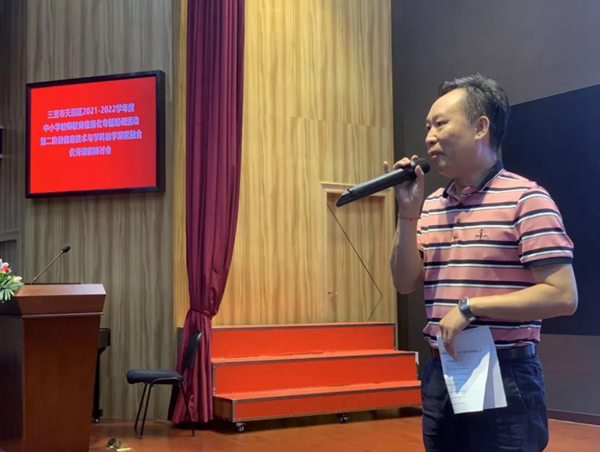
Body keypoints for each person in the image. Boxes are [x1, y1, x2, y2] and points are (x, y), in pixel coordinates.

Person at [385, 74, 578, 452]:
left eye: (440, 123)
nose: (429, 137)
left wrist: (470, 308)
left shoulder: (526, 199)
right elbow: (404, 282)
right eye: (427, 127)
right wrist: (407, 214)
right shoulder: (432, 205)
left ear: (480, 127)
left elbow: (563, 295)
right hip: (443, 372)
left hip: (504, 371)